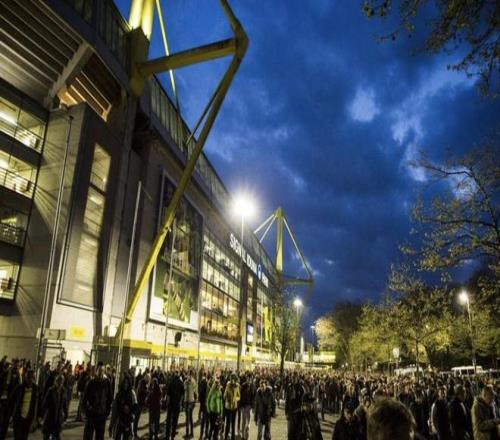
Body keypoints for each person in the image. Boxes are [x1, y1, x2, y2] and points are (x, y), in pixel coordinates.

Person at [82, 363, 113, 440]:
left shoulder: (107, 383)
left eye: (102, 370)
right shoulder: (91, 382)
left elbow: (109, 398)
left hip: (101, 415)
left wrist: (107, 411)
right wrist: (86, 410)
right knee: (88, 436)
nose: (100, 372)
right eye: (99, 370)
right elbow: (85, 398)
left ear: (104, 371)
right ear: (96, 371)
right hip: (91, 415)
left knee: (99, 436)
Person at [8, 369, 39, 440]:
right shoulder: (19, 388)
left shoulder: (36, 389)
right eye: (29, 377)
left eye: (32, 377)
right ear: (25, 378)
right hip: (18, 417)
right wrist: (12, 415)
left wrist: (36, 419)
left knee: (24, 437)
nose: (30, 380)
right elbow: (11, 400)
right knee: (17, 437)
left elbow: (37, 404)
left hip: (28, 418)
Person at [109, 375, 137, 440]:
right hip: (119, 420)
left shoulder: (132, 393)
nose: (126, 384)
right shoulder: (119, 394)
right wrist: (111, 426)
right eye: (125, 383)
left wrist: (131, 412)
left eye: (127, 383)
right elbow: (114, 411)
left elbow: (135, 406)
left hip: (128, 421)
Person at [41, 374, 68, 440]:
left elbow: (64, 404)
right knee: (47, 435)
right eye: (58, 382)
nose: (59, 384)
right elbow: (45, 404)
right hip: (50, 416)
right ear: (55, 382)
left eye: (61, 382)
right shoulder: (51, 390)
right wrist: (42, 415)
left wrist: (65, 414)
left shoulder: (63, 391)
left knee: (57, 435)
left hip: (58, 417)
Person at [165, 370, 184, 440]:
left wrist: (167, 403)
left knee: (169, 419)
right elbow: (182, 395)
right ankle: (173, 434)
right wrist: (180, 403)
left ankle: (167, 435)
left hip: (171, 404)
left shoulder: (171, 382)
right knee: (175, 420)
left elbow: (168, 394)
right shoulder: (181, 383)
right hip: (177, 404)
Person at [224, 373, 240, 440]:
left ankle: (233, 438)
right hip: (228, 407)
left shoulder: (237, 386)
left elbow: (239, 396)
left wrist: (235, 399)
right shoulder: (228, 385)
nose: (232, 380)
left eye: (234, 379)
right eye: (231, 379)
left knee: (233, 424)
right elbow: (224, 395)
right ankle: (225, 437)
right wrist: (227, 398)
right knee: (227, 423)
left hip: (234, 407)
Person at [239, 374, 255, 440]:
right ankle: (243, 436)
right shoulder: (243, 386)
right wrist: (240, 406)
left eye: (250, 379)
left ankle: (247, 434)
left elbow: (253, 397)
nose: (249, 380)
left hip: (249, 406)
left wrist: (252, 406)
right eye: (248, 379)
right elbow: (240, 396)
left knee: (248, 422)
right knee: (243, 421)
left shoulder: (252, 386)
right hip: (244, 406)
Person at [184, 370, 197, 439]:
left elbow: (186, 389)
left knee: (188, 417)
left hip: (189, 401)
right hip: (190, 401)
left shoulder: (190, 381)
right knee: (189, 417)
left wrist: (188, 382)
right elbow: (194, 390)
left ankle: (188, 432)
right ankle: (191, 432)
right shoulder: (190, 381)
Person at [198, 373, 210, 440]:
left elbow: (201, 394)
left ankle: (203, 433)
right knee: (206, 420)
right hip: (206, 404)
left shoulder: (204, 383)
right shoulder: (206, 384)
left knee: (204, 420)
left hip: (205, 404)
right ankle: (205, 433)